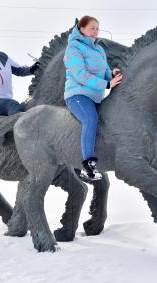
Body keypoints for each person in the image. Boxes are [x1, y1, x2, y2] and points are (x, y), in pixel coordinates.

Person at [63, 16, 123, 180]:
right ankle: (87, 164)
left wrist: (113, 74)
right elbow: (80, 75)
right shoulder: (73, 48)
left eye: (97, 28)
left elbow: (105, 72)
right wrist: (106, 84)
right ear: (81, 29)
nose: (96, 31)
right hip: (77, 95)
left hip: (95, 96)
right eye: (92, 28)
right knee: (90, 119)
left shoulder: (99, 49)